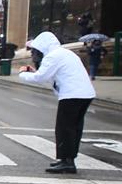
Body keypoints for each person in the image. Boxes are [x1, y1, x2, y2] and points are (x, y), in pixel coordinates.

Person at [18, 31, 96, 173]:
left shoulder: (52, 56)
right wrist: (33, 72)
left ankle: (67, 162)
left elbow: (40, 78)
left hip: (72, 95)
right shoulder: (64, 53)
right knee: (74, 128)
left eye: (36, 50)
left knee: (64, 128)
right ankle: (67, 159)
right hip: (84, 94)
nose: (35, 54)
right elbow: (49, 77)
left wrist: (23, 74)